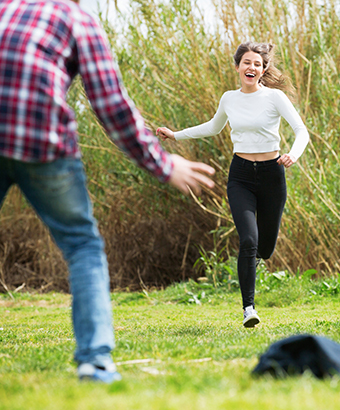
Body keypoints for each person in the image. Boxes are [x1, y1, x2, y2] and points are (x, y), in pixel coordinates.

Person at [0, 0, 216, 383]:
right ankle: (95, 362)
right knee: (83, 246)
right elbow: (112, 106)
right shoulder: (77, 19)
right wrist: (164, 165)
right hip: (44, 143)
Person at [157, 42, 309, 328]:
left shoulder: (275, 98)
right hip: (240, 175)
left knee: (265, 248)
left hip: (272, 174)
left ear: (263, 70)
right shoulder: (229, 98)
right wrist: (175, 136)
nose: (251, 67)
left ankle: (258, 261)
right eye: (246, 62)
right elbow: (213, 127)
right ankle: (248, 308)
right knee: (248, 241)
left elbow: (301, 130)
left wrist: (293, 154)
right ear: (238, 66)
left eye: (257, 64)